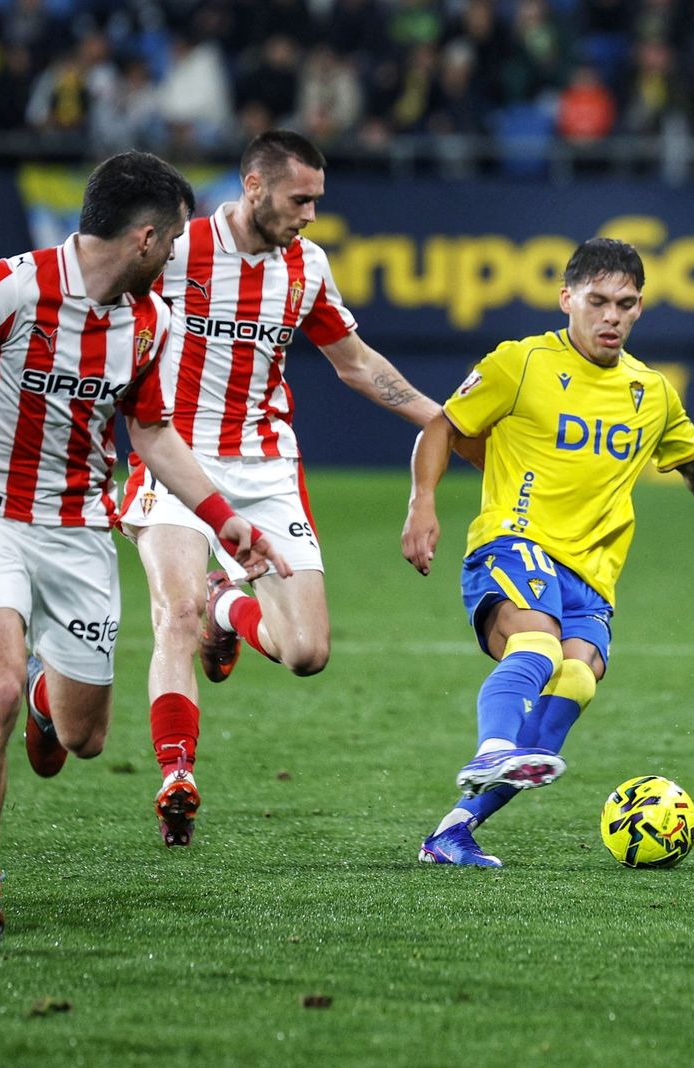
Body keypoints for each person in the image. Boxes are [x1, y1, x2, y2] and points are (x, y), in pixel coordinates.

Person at [0, 151, 288, 953]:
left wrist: (225, 518)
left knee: (82, 739)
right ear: (144, 238)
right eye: (173, 241)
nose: (178, 255)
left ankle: (51, 698)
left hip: (78, 531)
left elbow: (149, 430)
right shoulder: (7, 286)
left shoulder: (149, 322)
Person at [117, 129, 465, 849]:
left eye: (317, 200)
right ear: (253, 187)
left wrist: (446, 422)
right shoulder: (177, 251)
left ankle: (229, 604)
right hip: (172, 453)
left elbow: (357, 364)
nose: (310, 213)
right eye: (300, 198)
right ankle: (175, 772)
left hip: (266, 467)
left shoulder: (306, 267)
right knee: (173, 616)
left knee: (306, 652)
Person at [401, 238, 694, 867]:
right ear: (567, 299)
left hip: (593, 572)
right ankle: (494, 746)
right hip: (514, 540)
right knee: (538, 644)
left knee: (576, 676)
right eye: (599, 301)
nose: (612, 316)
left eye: (626, 304)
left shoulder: (651, 392)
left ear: (639, 309)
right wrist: (423, 503)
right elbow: (444, 424)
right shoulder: (520, 363)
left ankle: (452, 832)